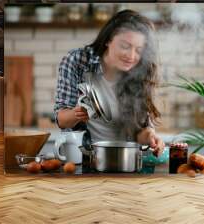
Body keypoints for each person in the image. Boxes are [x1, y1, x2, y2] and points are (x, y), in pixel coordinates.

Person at [53, 10, 165, 155]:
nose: (131, 56)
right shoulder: (77, 61)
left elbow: (139, 132)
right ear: (108, 40)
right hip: (84, 158)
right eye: (125, 46)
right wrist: (78, 113)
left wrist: (150, 137)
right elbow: (61, 119)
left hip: (125, 160)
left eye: (138, 50)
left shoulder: (141, 71)